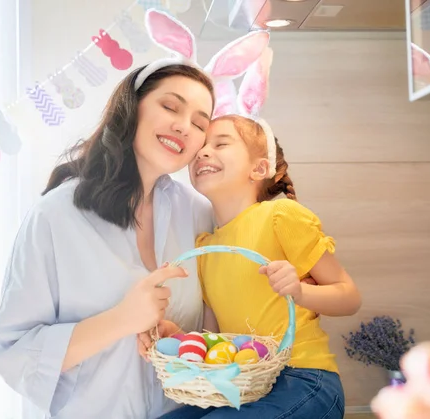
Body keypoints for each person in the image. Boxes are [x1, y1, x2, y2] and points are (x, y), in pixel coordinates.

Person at [0, 9, 271, 418]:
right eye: (170, 107)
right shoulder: (55, 216)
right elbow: (13, 352)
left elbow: (212, 329)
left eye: (199, 122)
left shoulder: (198, 213)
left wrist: (179, 341)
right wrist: (122, 319)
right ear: (132, 108)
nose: (183, 127)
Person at [149, 48, 362, 419]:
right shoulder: (205, 247)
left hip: (305, 380)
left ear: (259, 167)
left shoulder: (281, 215)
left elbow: (349, 297)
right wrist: (178, 338)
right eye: (201, 147)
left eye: (221, 144)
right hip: (242, 383)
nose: (202, 153)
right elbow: (218, 339)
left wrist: (300, 290)